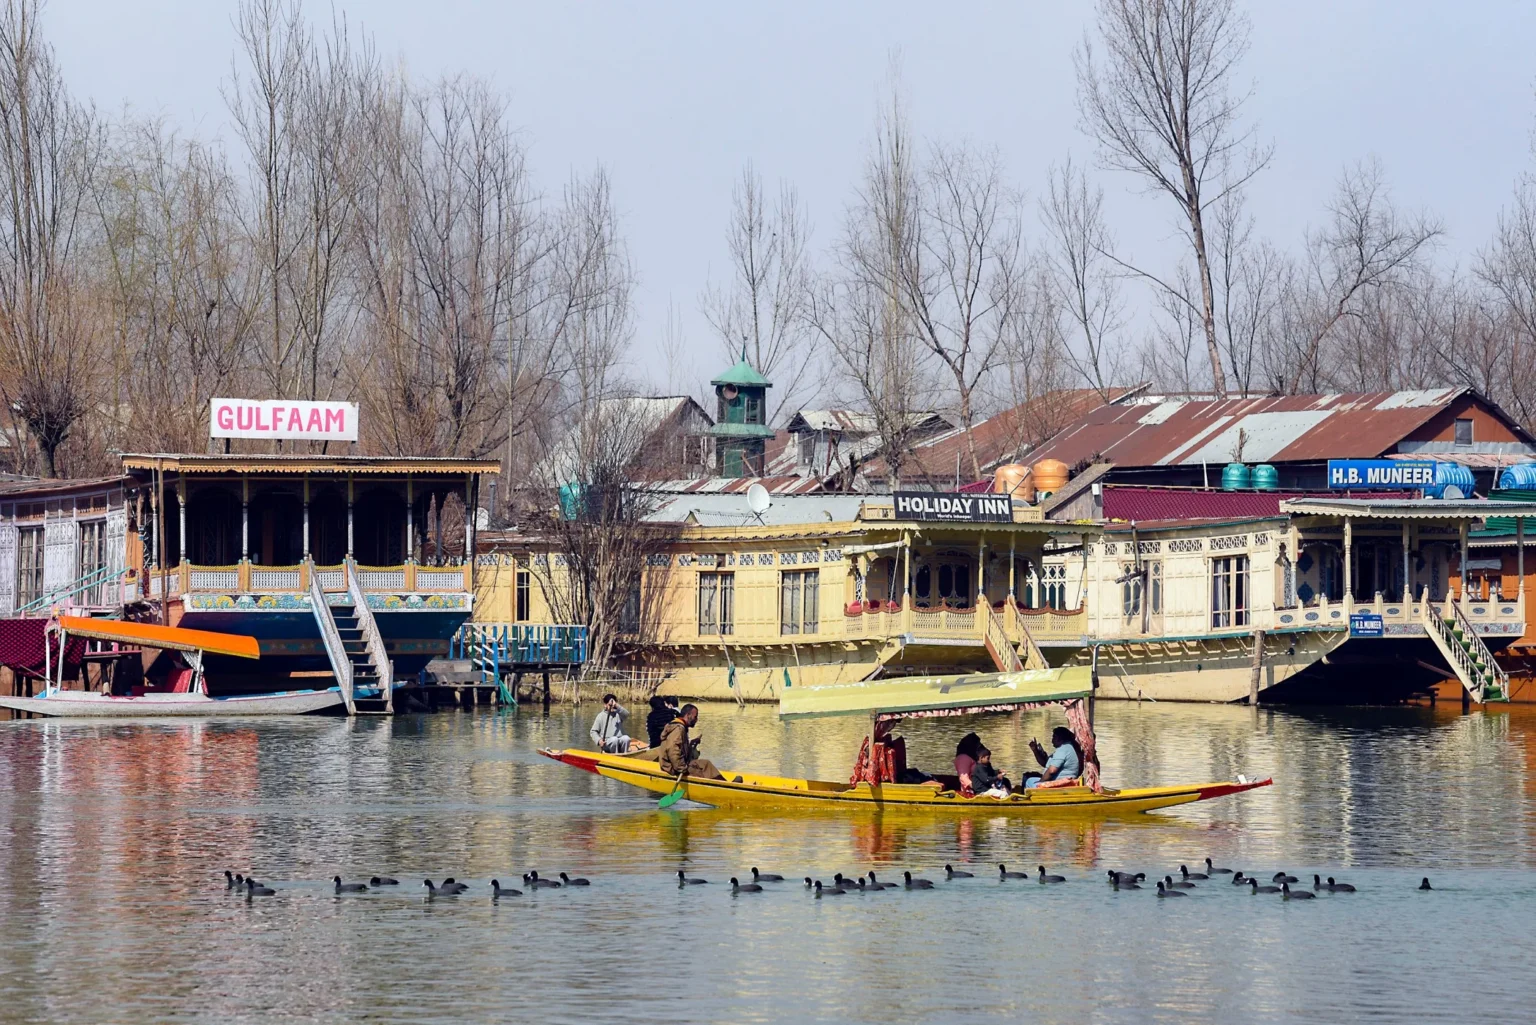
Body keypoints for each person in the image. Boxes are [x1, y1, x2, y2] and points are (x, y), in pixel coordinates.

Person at [657, 703, 730, 781]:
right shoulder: (678, 729)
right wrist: (682, 769)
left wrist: (691, 744)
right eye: (695, 717)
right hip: (673, 768)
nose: (696, 720)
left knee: (705, 764)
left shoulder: (680, 727)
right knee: (705, 768)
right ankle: (725, 785)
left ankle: (724, 782)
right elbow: (673, 751)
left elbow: (679, 748)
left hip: (676, 766)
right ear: (688, 715)